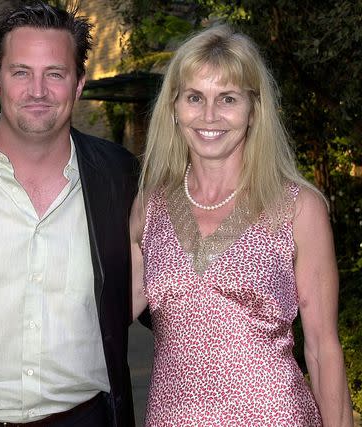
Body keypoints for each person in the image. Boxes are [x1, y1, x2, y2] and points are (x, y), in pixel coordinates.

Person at [0, 2, 139, 426]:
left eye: (55, 74)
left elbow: (172, 291)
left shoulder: (122, 177)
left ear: (78, 84)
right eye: (21, 72)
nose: (37, 90)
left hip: (89, 416)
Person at [130, 24, 353, 426]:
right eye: (195, 97)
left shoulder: (298, 208)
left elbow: (322, 348)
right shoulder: (150, 206)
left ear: (254, 109)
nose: (209, 115)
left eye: (227, 99)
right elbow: (103, 317)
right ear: (174, 107)